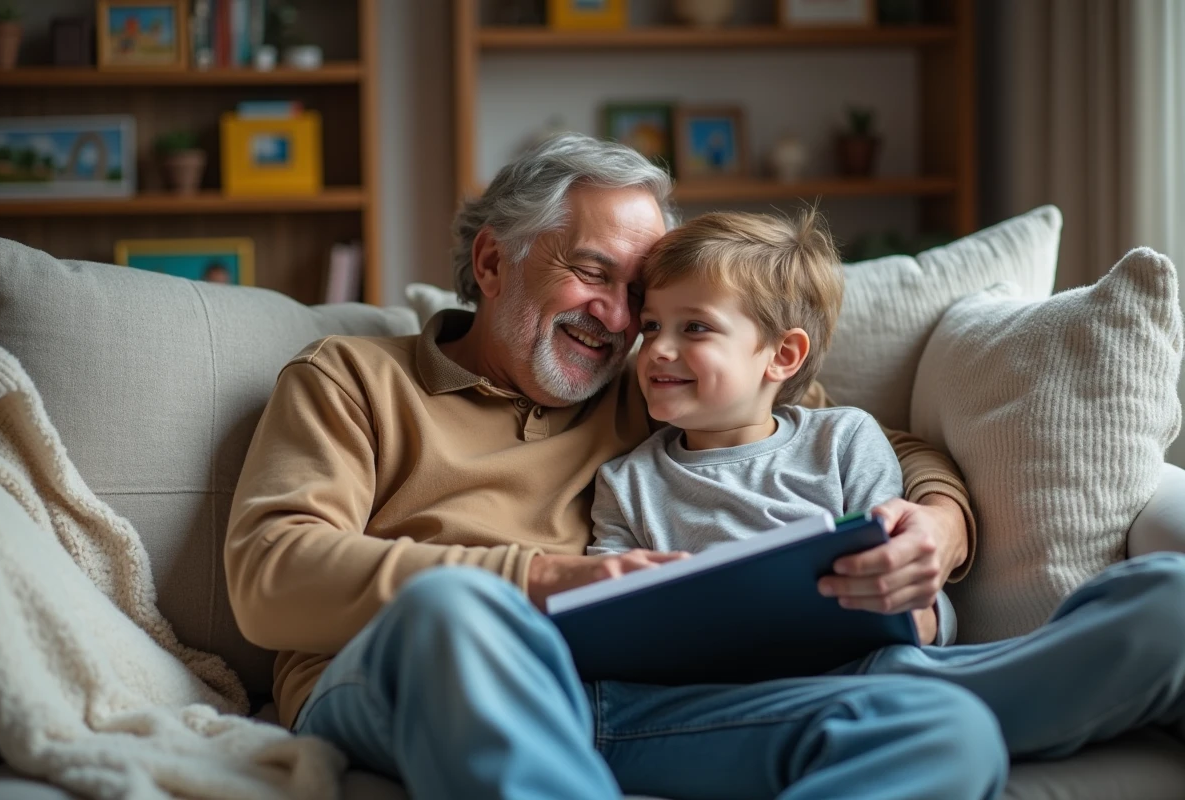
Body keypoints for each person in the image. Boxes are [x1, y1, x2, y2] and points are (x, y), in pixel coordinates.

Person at [225, 133, 1185, 800]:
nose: (618, 322)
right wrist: (541, 580)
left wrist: (938, 526)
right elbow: (270, 578)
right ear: (490, 263)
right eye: (593, 274)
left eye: (640, 300)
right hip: (408, 675)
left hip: (639, 699)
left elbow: (865, 442)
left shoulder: (637, 383)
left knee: (947, 729)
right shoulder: (351, 379)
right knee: (460, 611)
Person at [587, 208, 955, 647]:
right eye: (651, 326)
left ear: (782, 356)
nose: (658, 349)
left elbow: (899, 574)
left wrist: (923, 618)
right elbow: (608, 618)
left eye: (695, 327)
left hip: (857, 665)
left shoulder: (844, 442)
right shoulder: (625, 484)